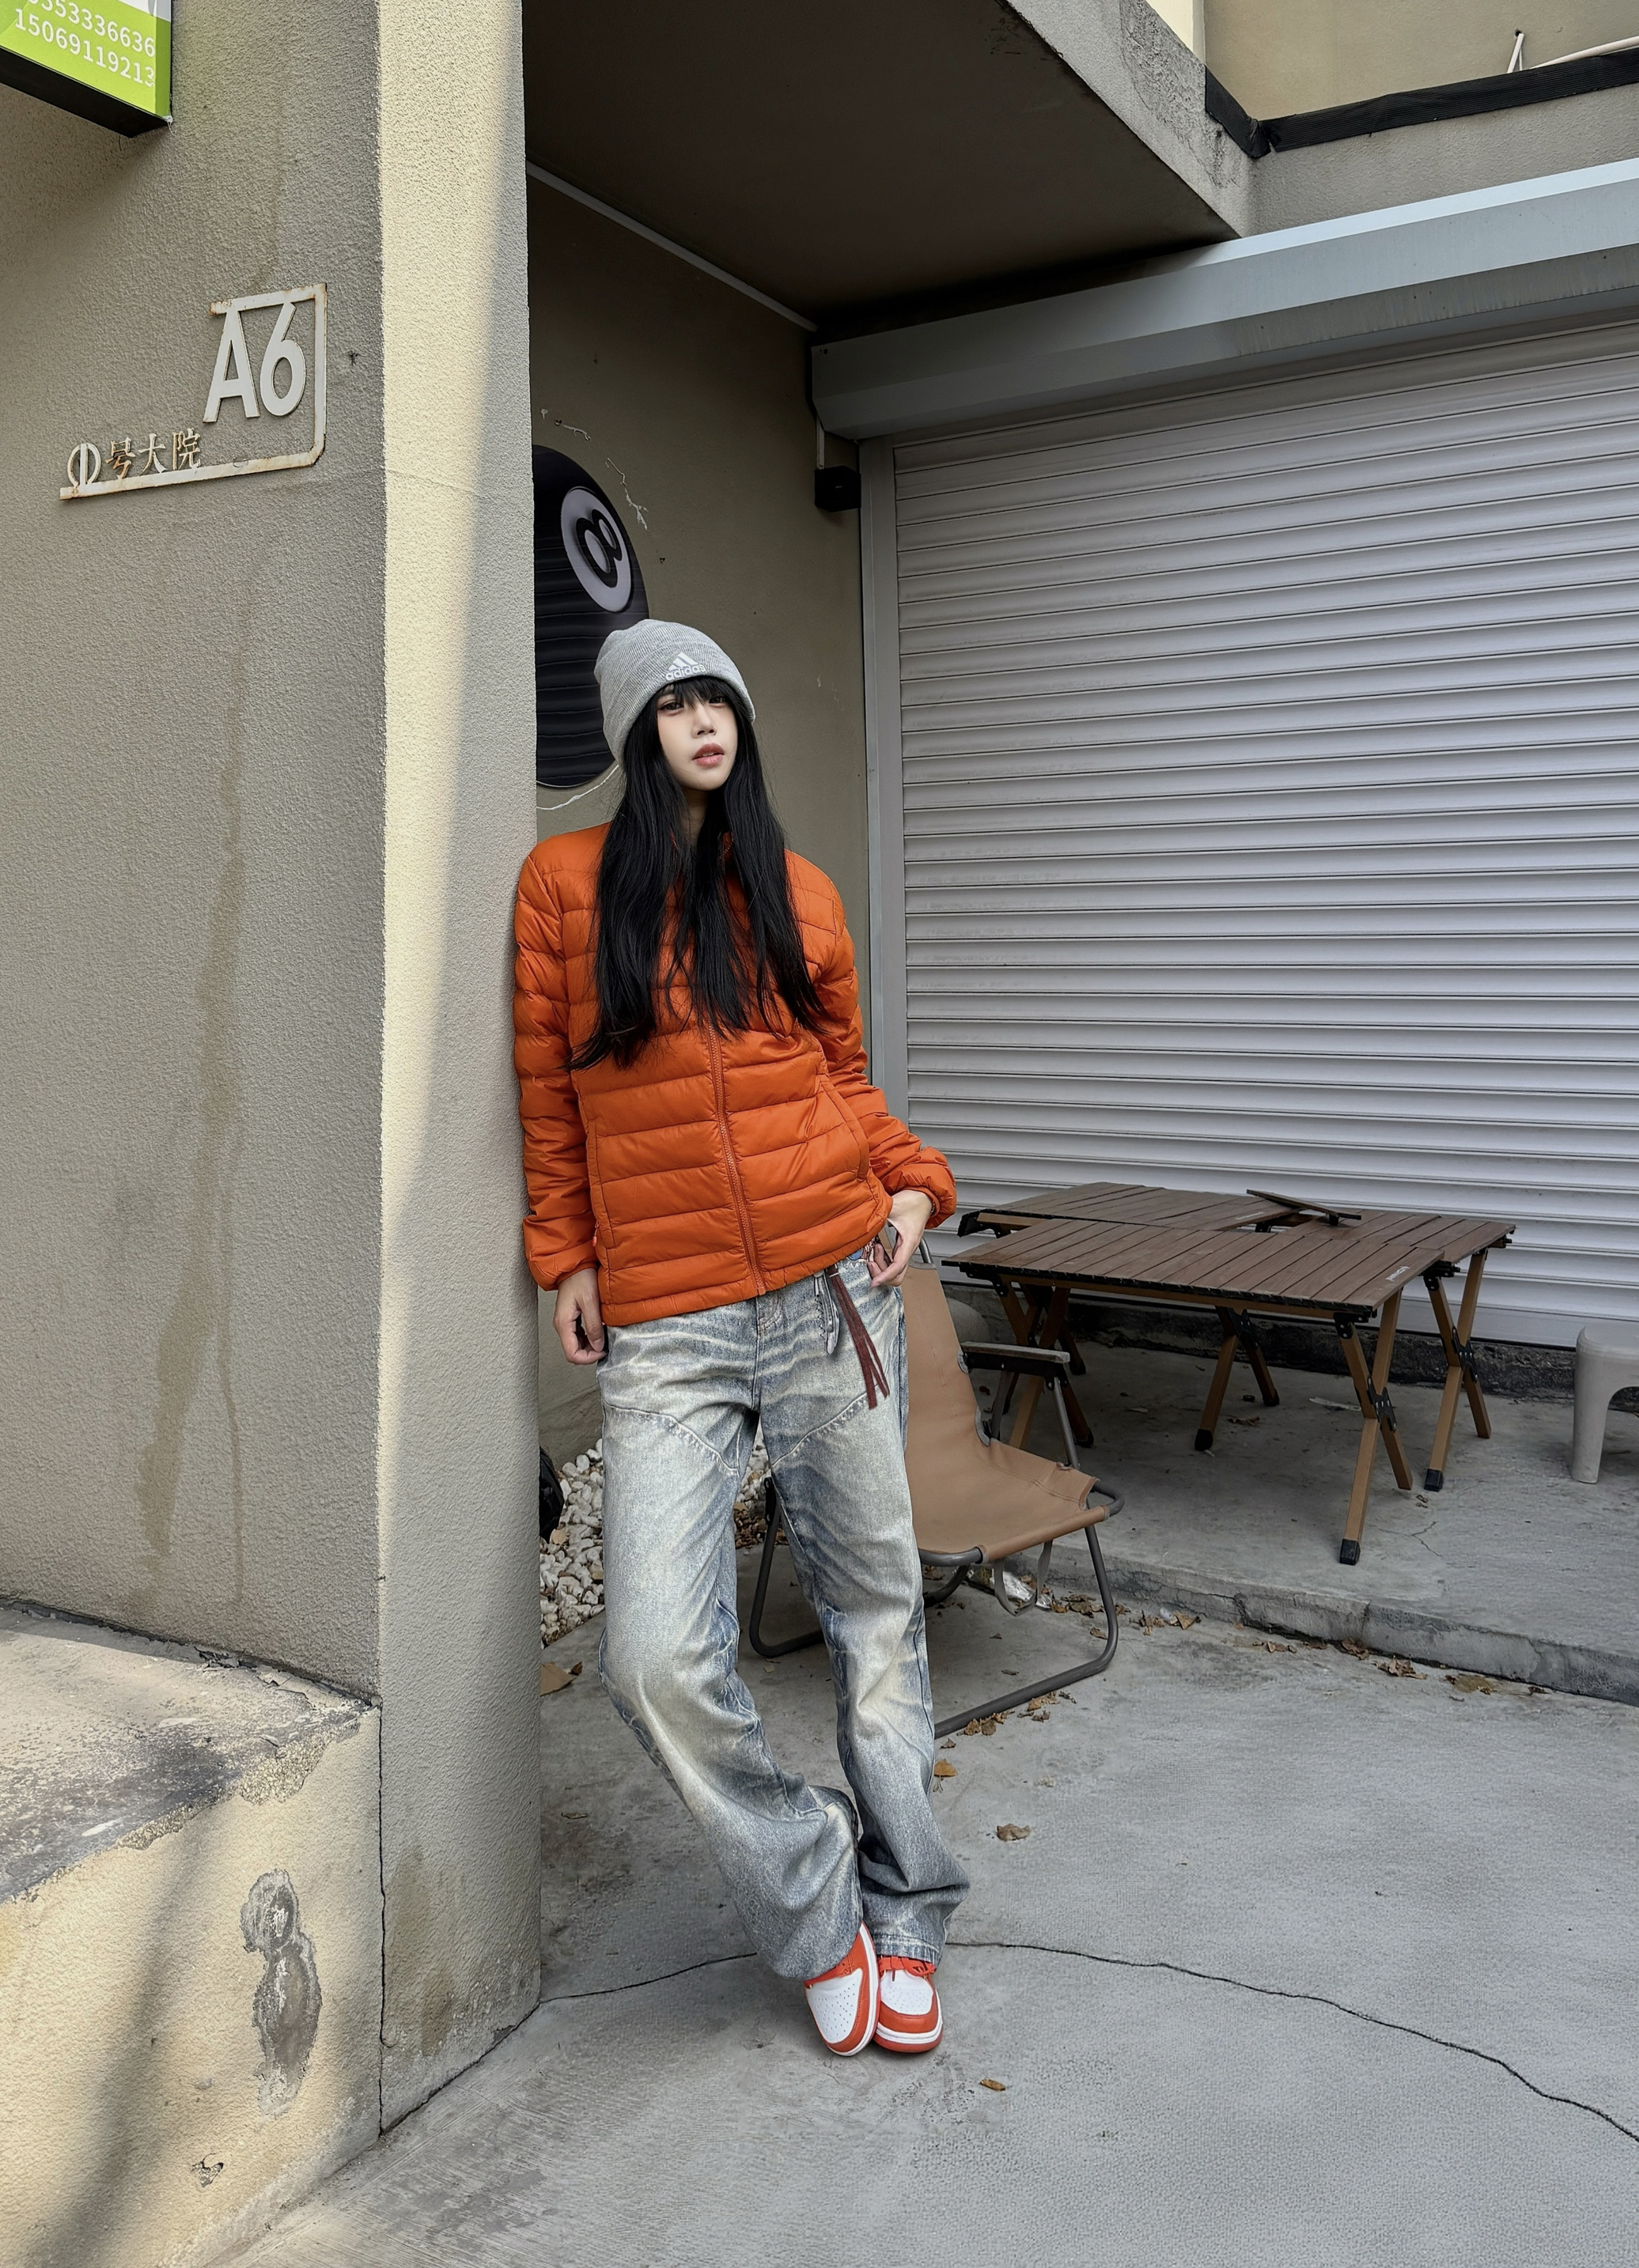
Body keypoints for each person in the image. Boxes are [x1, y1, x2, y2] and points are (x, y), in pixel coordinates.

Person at [513, 619, 969, 2057]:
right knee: (652, 1655)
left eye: (720, 698)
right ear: (633, 732)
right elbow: (549, 1093)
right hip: (672, 1322)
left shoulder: (798, 888)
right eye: (675, 703)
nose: (705, 720)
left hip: (833, 1284)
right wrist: (565, 1255)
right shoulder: (564, 888)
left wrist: (914, 1181)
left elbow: (841, 1078)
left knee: (876, 1616)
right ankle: (815, 1896)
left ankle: (908, 1903)